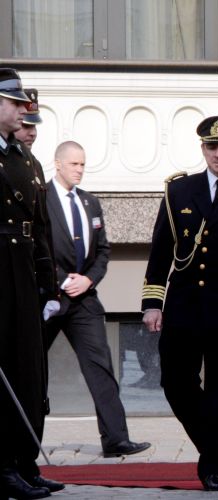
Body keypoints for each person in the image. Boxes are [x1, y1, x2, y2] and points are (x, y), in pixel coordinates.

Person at [142, 116, 218, 492]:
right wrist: (152, 303)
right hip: (186, 303)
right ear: (203, 150)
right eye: (212, 147)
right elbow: (162, 249)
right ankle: (211, 442)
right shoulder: (180, 190)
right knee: (175, 381)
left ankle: (213, 467)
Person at [45, 141, 150, 460]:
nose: (79, 170)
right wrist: (62, 279)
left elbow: (103, 251)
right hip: (48, 298)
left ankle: (116, 439)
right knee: (30, 370)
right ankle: (21, 444)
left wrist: (88, 279)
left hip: (85, 301)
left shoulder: (89, 202)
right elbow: (36, 248)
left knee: (101, 367)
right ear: (58, 164)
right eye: (73, 164)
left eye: (82, 164)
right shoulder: (40, 199)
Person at [0, 68, 58, 500]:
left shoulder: (24, 158)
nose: (24, 110)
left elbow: (39, 228)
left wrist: (47, 286)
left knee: (27, 371)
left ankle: (23, 461)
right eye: (16, 103)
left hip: (22, 270)